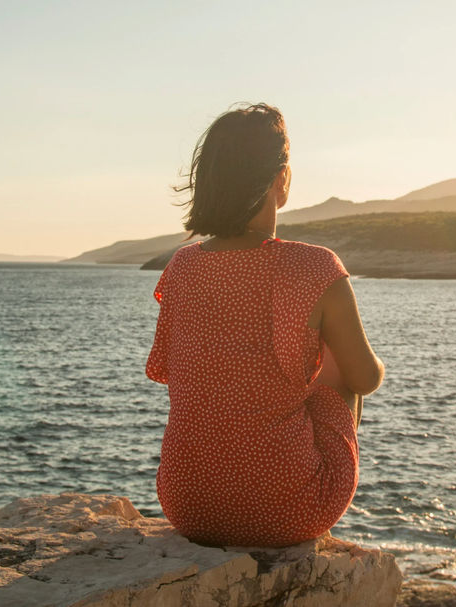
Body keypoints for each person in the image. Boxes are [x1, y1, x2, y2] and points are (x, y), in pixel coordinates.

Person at [145, 103, 384, 548]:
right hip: (288, 511)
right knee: (337, 373)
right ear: (282, 179)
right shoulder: (314, 266)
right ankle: (316, 525)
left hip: (187, 507)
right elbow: (364, 379)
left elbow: (177, 373)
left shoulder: (181, 266)